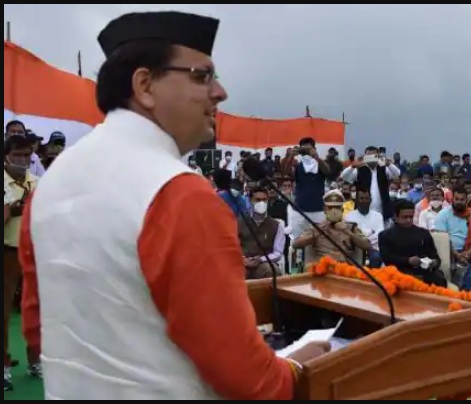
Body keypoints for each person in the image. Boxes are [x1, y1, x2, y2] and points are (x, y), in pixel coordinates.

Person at [18, 11, 329, 400]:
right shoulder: (179, 194)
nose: (220, 92)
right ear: (145, 85)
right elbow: (246, 379)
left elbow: (38, 330)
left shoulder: (48, 188)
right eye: (202, 76)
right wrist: (298, 368)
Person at [4, 135, 41, 391]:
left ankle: (35, 361)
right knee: (3, 312)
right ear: (6, 157)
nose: (22, 159)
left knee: (37, 307)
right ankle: (3, 366)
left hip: (32, 251)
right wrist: (17, 209)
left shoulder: (36, 181)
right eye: (17, 155)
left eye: (26, 155)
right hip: (6, 251)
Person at [292, 190, 371, 266]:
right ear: (324, 210)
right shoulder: (316, 228)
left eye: (337, 208)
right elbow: (295, 244)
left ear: (342, 210)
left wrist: (347, 232)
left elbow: (367, 246)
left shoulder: (351, 228)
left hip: (343, 269)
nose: (334, 211)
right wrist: (316, 234)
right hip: (322, 269)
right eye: (330, 208)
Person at [379, 200, 446, 287]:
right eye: (405, 217)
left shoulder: (423, 233)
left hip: (423, 272)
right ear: (396, 217)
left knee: (439, 279)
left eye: (411, 217)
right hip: (400, 272)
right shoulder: (386, 235)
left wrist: (434, 262)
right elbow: (387, 259)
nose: (409, 220)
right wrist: (408, 261)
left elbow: (435, 256)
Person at [434, 187, 471, 291]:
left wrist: (469, 253)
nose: (459, 202)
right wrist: (456, 254)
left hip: (467, 250)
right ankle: (457, 288)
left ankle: (465, 287)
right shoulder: (443, 214)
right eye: (457, 199)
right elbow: (443, 239)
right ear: (452, 199)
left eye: (462, 199)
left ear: (466, 200)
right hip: (448, 250)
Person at [341, 146, 400, 222]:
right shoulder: (360, 169)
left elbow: (397, 173)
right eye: (369, 156)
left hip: (382, 212)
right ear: (365, 157)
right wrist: (353, 166)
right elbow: (344, 176)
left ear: (378, 156)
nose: (371, 158)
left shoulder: (384, 168)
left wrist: (388, 163)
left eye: (374, 156)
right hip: (363, 212)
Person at [238, 187, 286, 279]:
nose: (262, 203)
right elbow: (232, 247)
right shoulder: (239, 222)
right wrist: (243, 260)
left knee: (273, 271)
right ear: (250, 201)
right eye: (258, 200)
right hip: (242, 263)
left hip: (263, 263)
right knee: (232, 273)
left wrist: (260, 259)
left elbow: (278, 253)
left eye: (264, 200)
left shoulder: (276, 225)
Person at [344, 189, 385, 267]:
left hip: (373, 248)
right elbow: (349, 235)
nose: (364, 201)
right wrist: (369, 233)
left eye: (366, 198)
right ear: (357, 200)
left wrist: (362, 237)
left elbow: (379, 235)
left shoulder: (378, 216)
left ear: (370, 200)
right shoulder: (349, 216)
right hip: (355, 248)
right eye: (361, 198)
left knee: (376, 257)